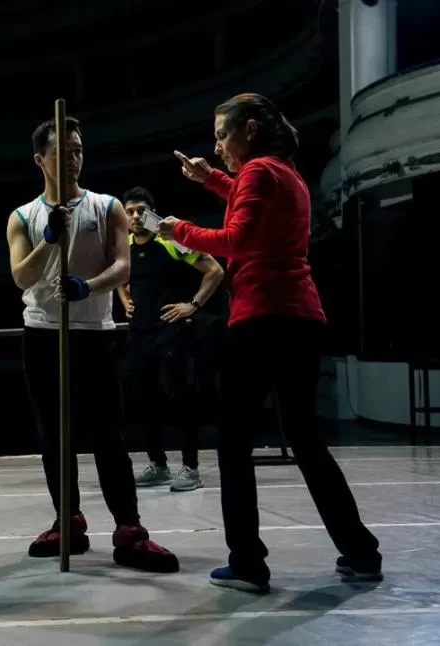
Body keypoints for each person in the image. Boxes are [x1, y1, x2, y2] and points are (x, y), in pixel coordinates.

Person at [158, 92, 382, 593]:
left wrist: (180, 230)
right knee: (306, 441)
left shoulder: (259, 173)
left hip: (260, 319)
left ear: (250, 129)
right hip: (302, 318)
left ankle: (247, 563)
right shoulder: (287, 174)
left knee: (234, 443)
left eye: (221, 134)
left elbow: (237, 239)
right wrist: (209, 180)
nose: (215, 146)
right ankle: (361, 551)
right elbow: (248, 198)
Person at [6, 115, 179, 572]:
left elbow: (123, 267)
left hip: (95, 336)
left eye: (79, 149)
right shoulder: (23, 216)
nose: (74, 158)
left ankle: (129, 530)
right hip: (43, 334)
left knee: (109, 435)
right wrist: (49, 239)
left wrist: (89, 285)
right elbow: (21, 275)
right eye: (63, 152)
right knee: (54, 437)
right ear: (40, 160)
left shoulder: (107, 207)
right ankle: (69, 522)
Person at [117, 186, 224, 492]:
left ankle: (190, 468)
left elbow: (215, 271)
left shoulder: (170, 239)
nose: (136, 216)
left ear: (152, 213)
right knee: (142, 398)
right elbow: (120, 279)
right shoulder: (123, 246)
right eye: (130, 211)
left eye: (142, 210)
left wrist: (193, 304)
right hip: (140, 333)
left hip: (170, 331)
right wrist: (124, 300)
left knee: (178, 398)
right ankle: (158, 465)